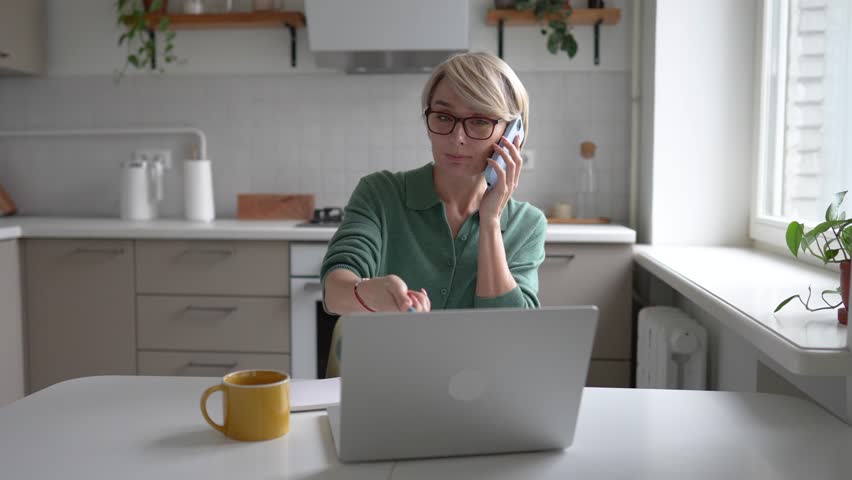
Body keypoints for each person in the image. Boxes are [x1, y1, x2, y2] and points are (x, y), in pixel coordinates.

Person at [320, 52, 547, 376]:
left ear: (513, 134)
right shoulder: (381, 194)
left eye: (480, 120)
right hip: (381, 389)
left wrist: (490, 222)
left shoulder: (527, 225)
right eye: (443, 116)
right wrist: (372, 294)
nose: (457, 138)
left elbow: (509, 332)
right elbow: (334, 292)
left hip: (477, 397)